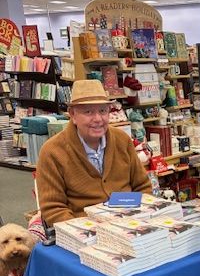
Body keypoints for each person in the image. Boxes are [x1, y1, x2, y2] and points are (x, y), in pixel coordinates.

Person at [36, 79, 152, 225]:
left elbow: (143, 187)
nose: (98, 119)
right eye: (88, 112)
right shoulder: (52, 151)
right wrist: (86, 232)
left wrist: (139, 219)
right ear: (72, 115)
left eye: (103, 111)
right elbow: (53, 209)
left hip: (131, 223)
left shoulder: (122, 140)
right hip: (84, 230)